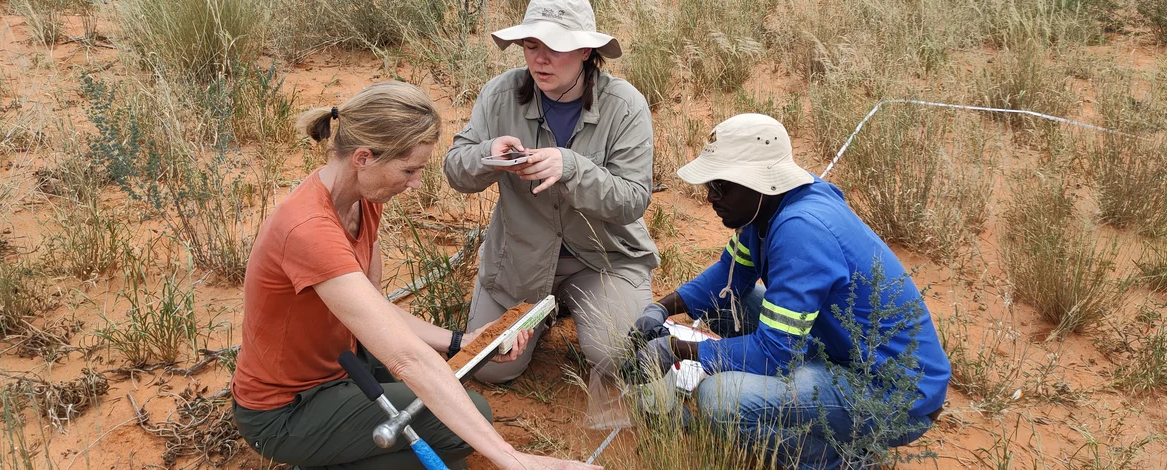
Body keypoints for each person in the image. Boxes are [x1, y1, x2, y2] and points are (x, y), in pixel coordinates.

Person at [231, 81, 598, 470]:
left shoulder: (362, 200)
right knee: (457, 433)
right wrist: (514, 460)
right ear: (363, 157)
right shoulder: (308, 229)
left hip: (342, 365)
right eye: (409, 169)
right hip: (286, 410)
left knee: (452, 433)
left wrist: (464, 341)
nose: (416, 183)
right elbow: (406, 358)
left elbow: (376, 308)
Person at [623, 114, 951, 469]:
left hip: (892, 396)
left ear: (762, 180)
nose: (711, 196)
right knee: (724, 305)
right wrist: (660, 309)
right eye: (710, 184)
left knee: (719, 400)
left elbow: (774, 354)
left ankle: (844, 460)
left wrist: (676, 347)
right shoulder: (769, 210)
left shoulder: (801, 230)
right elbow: (726, 278)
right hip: (839, 351)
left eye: (722, 185)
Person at [443, 0, 657, 425]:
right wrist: (487, 155)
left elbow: (633, 198)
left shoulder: (625, 105)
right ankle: (541, 313)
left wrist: (573, 168)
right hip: (522, 262)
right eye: (530, 44)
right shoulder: (500, 93)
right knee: (490, 366)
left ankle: (568, 306)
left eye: (555, 47)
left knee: (617, 353)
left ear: (585, 51)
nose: (539, 58)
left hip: (602, 260)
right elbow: (455, 169)